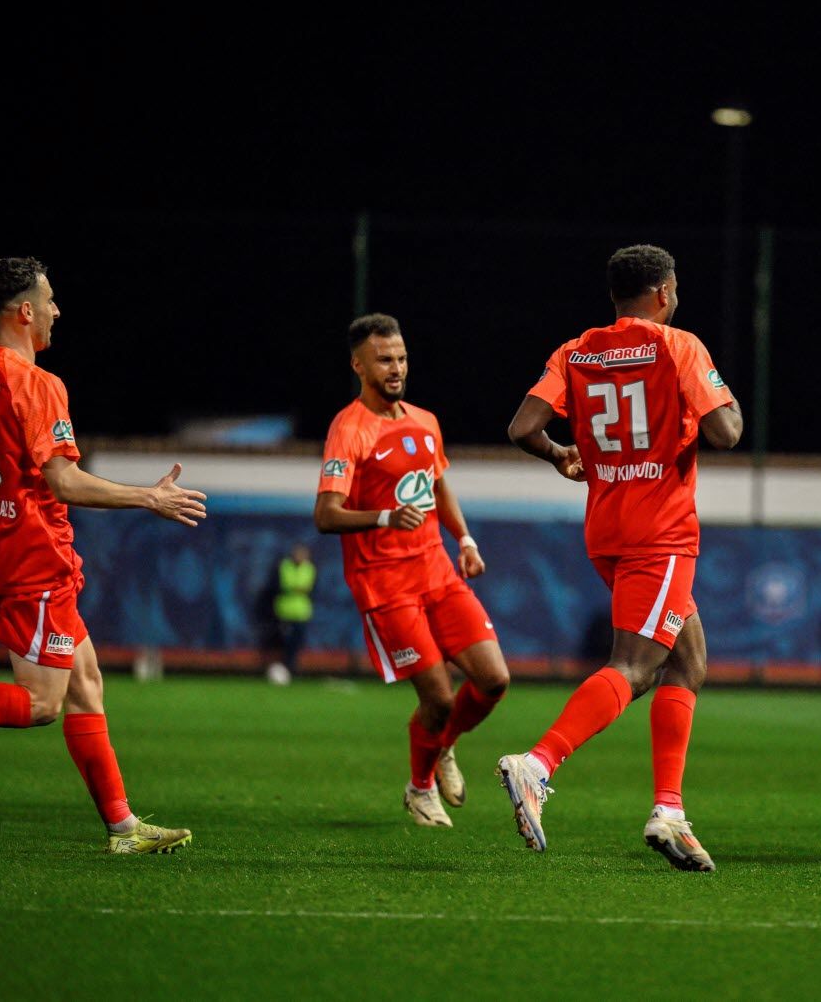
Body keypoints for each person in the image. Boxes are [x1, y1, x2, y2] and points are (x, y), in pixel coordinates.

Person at [0, 257, 201, 853]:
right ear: (24, 312)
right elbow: (64, 482)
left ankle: (124, 829)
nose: (56, 311)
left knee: (86, 684)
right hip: (37, 558)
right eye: (49, 301)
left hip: (3, 552)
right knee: (44, 702)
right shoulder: (38, 384)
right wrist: (147, 497)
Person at [498, 244, 742, 871]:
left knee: (688, 660)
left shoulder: (575, 350)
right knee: (635, 666)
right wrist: (719, 402)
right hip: (660, 533)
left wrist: (559, 454)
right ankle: (538, 764)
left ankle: (669, 811)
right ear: (663, 291)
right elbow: (727, 432)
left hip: (606, 528)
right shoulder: (678, 345)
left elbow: (523, 427)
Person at [315, 313, 510, 827]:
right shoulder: (348, 429)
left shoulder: (424, 421)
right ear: (359, 365)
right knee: (439, 700)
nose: (396, 367)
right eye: (384, 359)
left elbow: (438, 486)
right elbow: (325, 515)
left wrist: (464, 539)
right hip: (384, 584)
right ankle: (420, 787)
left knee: (493, 680)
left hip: (438, 570)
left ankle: (442, 748)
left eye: (401, 357)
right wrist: (382, 516)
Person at [267, 543, 316, 684]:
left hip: (302, 612)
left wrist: (295, 588)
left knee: (296, 644)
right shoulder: (284, 566)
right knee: (284, 643)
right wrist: (297, 588)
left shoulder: (309, 568)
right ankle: (283, 669)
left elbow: (309, 588)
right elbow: (282, 585)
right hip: (285, 611)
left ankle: (291, 670)